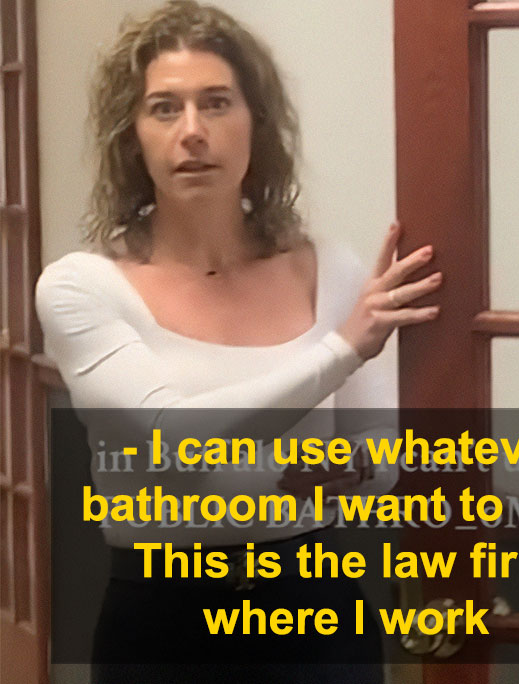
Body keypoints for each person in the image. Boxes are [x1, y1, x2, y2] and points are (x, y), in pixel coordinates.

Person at [35, 1, 442, 682]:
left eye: (217, 102)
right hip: (162, 620)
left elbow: (379, 452)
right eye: (165, 108)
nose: (193, 131)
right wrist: (343, 350)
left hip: (316, 611)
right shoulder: (82, 286)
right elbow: (177, 438)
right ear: (133, 136)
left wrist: (342, 470)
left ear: (257, 122)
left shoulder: (330, 267)